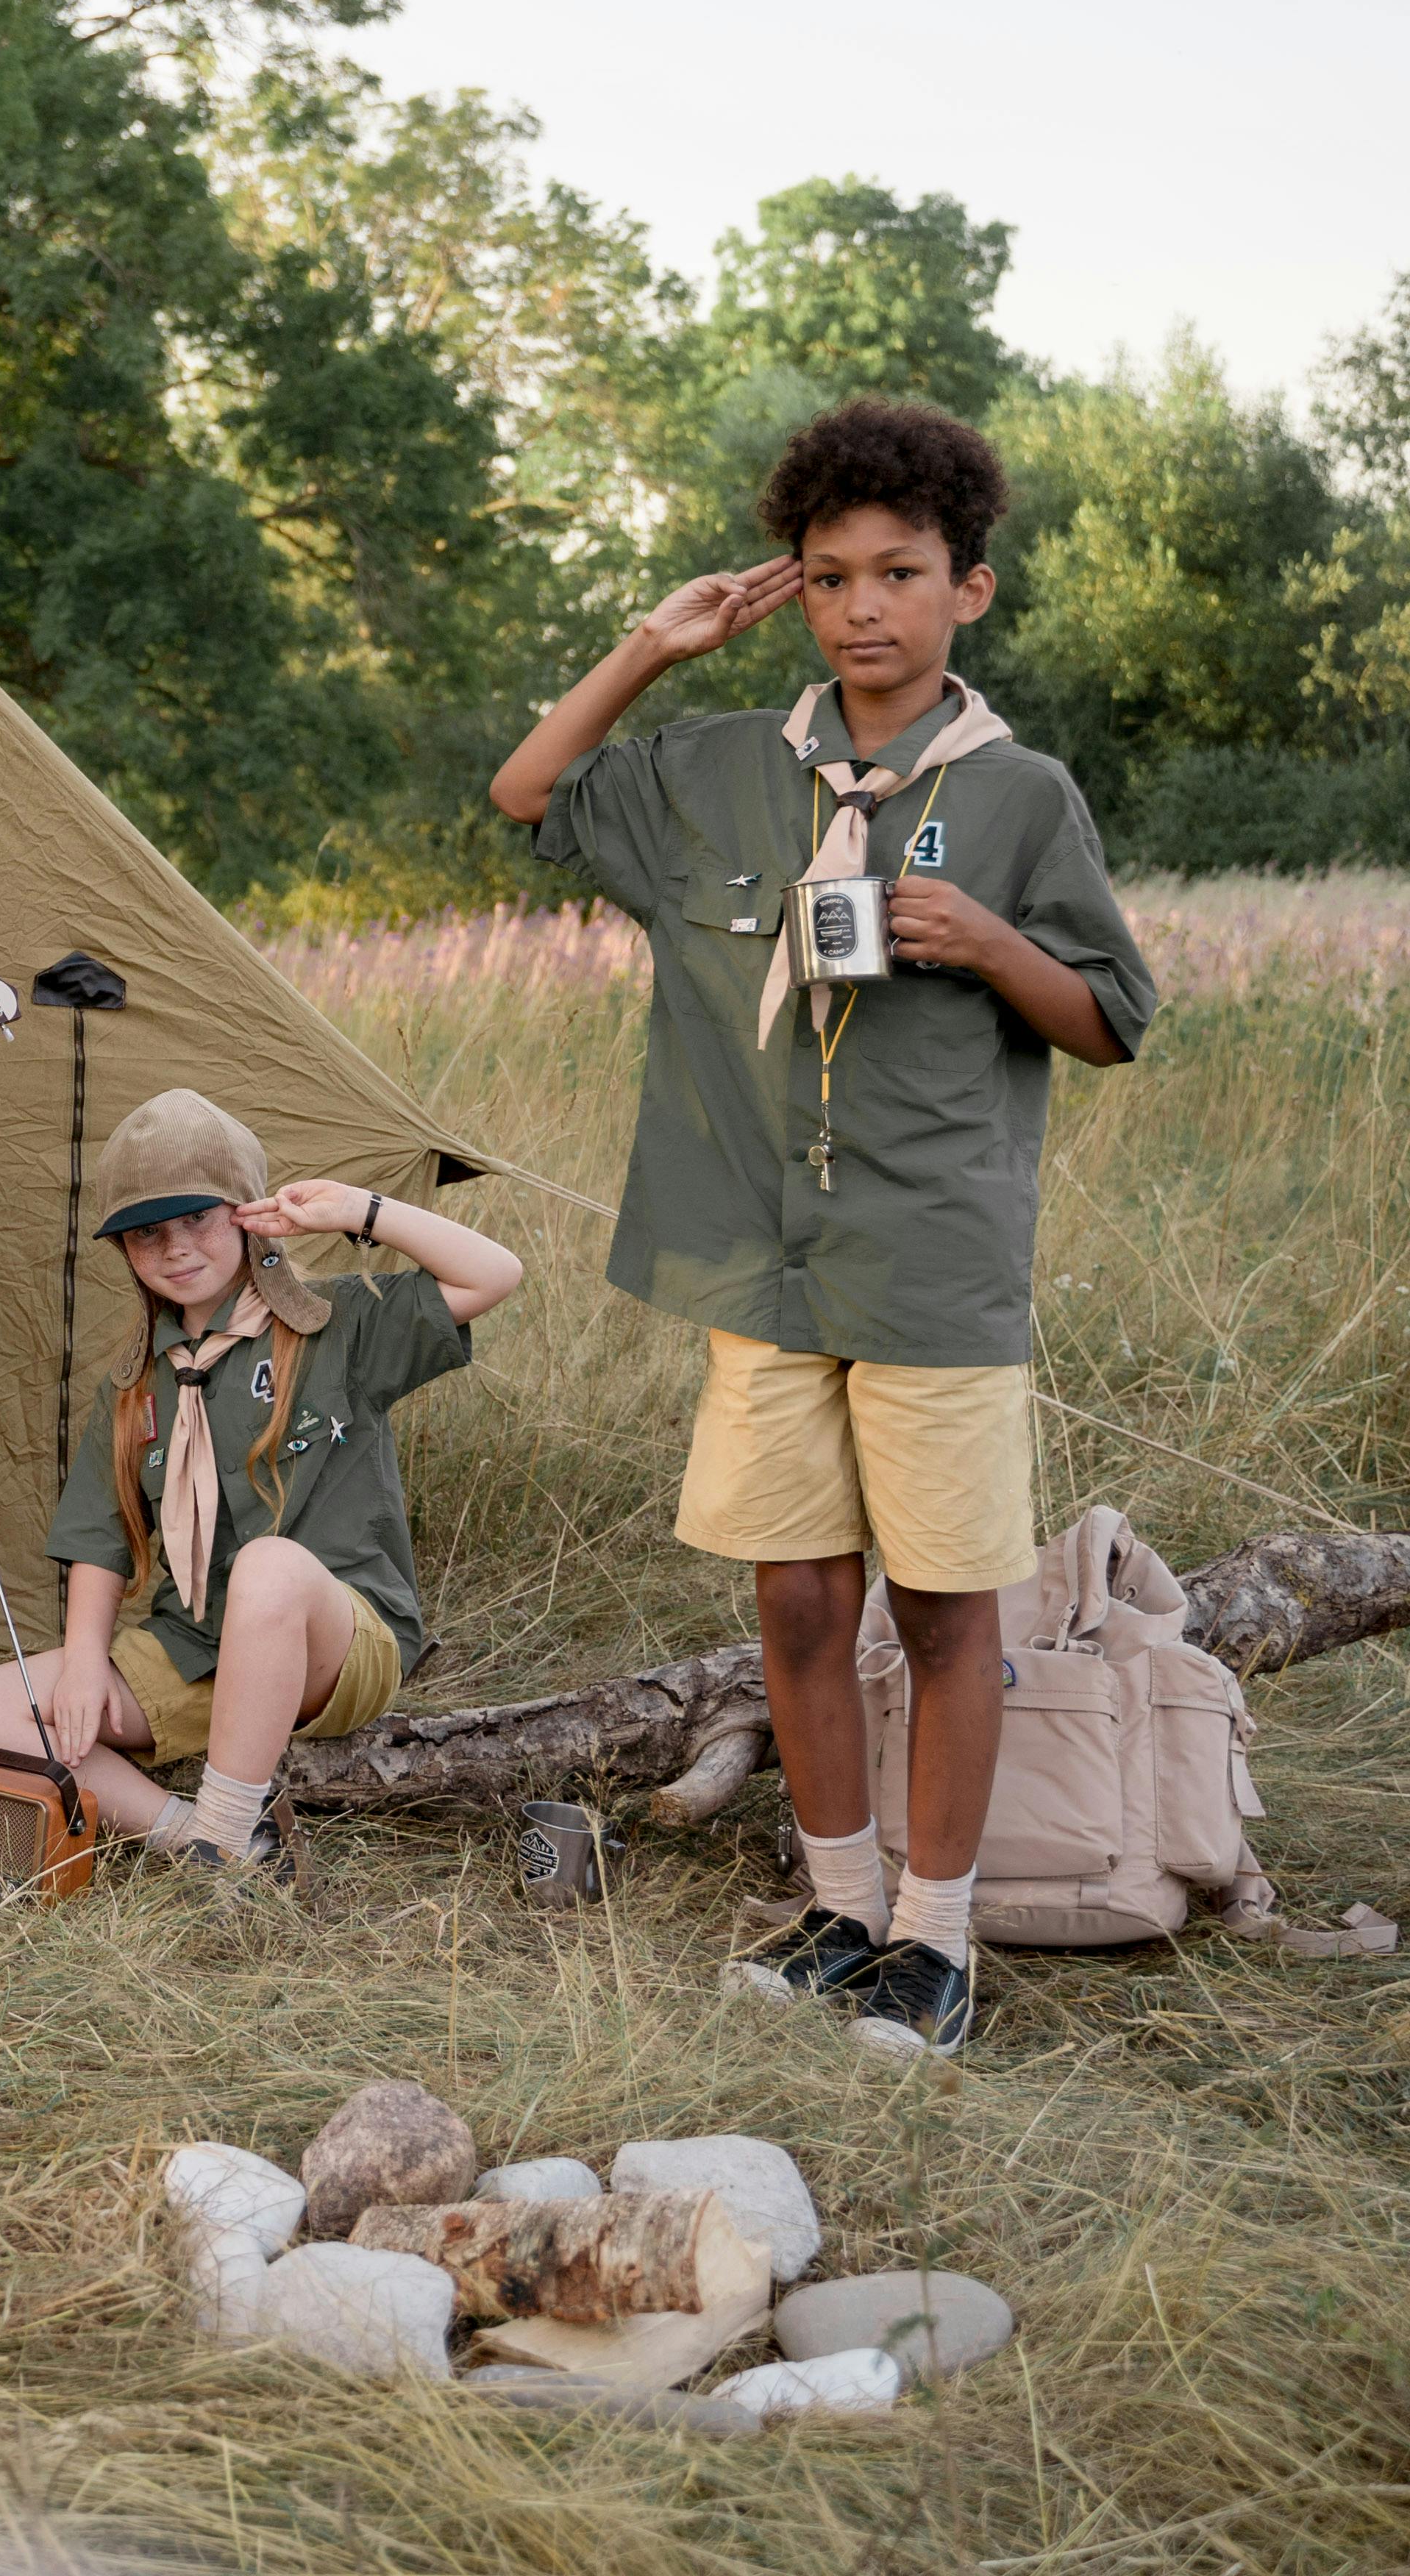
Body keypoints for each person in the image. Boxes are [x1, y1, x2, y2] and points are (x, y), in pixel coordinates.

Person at [488, 397, 1157, 2057]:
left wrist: (994, 943)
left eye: (904, 573)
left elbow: (1111, 1017)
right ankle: (842, 1908)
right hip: (756, 1252)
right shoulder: (721, 772)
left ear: (969, 591)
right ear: (796, 586)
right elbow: (526, 790)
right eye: (834, 574)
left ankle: (938, 1939)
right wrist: (655, 644)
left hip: (929, 1259)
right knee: (798, 1597)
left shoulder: (1019, 795)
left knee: (943, 1610)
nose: (867, 606)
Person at [0, 1088, 523, 1887]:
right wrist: (84, 1660)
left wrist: (355, 1210)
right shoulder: (135, 1382)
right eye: (148, 1233)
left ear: (247, 1215)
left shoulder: (336, 1326)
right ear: (125, 1250)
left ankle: (221, 1837)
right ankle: (199, 1836)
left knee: (269, 1566)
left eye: (199, 1219)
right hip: (200, 1648)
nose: (177, 1248)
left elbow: (498, 1273)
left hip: (338, 1636)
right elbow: (98, 1542)